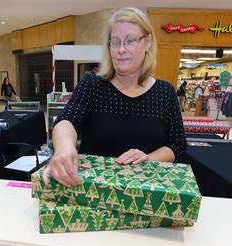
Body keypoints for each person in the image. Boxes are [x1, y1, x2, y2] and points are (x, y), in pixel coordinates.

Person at [43, 7, 186, 187]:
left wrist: (148, 158)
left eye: (130, 41)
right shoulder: (92, 85)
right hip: (91, 192)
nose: (121, 49)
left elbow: (177, 144)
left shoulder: (165, 92)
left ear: (148, 42)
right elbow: (66, 121)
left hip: (145, 193)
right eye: (115, 42)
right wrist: (64, 148)